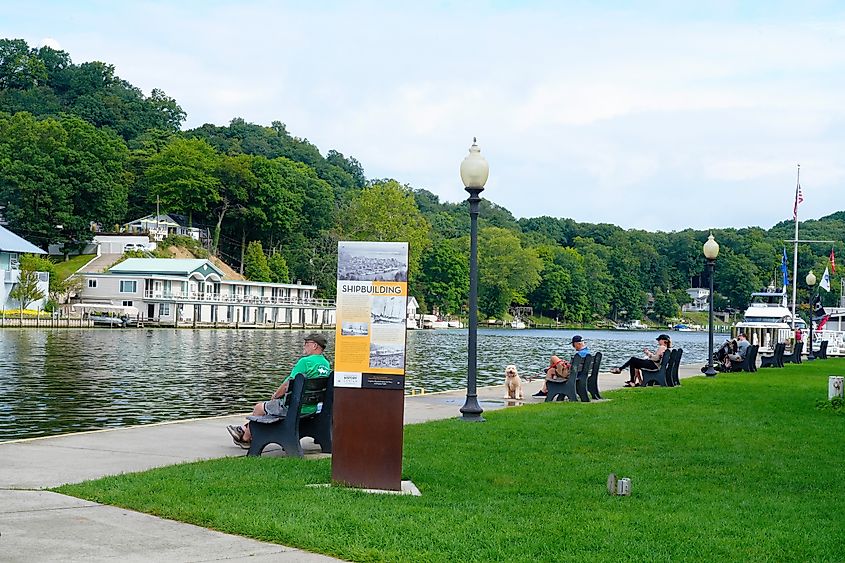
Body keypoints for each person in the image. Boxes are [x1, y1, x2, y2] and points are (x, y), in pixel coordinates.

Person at [227, 333, 331, 448]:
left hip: (295, 409)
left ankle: (246, 439)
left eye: (306, 343)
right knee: (268, 407)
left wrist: (276, 395)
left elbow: (288, 384)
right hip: (312, 408)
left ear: (315, 346)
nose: (304, 346)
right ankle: (243, 429)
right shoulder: (325, 363)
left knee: (259, 408)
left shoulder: (305, 362)